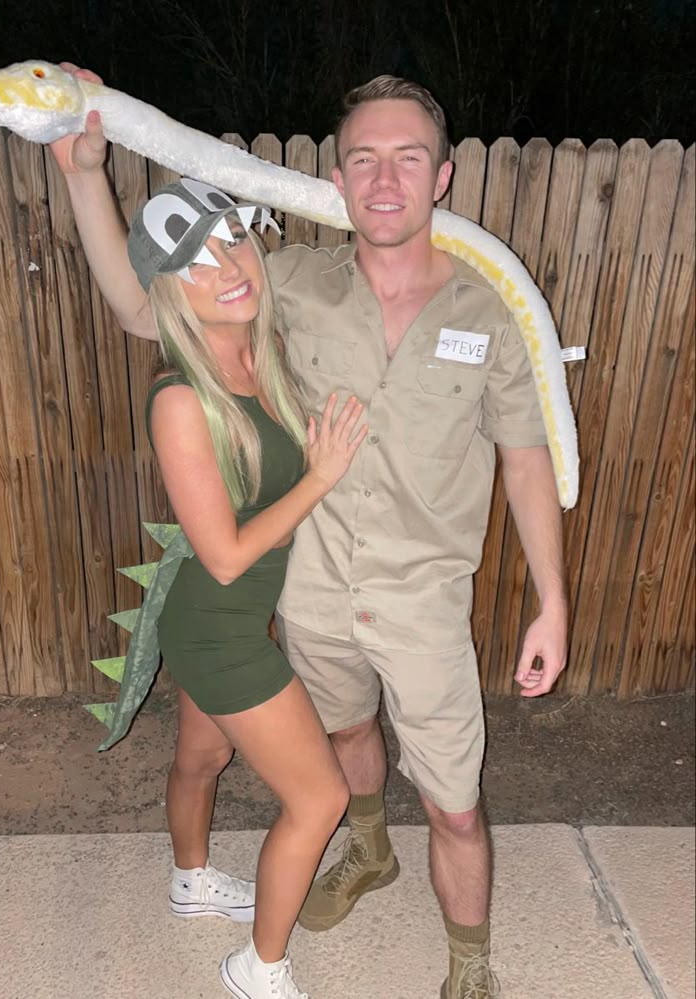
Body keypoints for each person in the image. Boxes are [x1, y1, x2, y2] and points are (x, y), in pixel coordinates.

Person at [51, 67, 568, 999]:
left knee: (455, 807)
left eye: (407, 159)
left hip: (422, 604)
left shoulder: (487, 314)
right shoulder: (287, 282)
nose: (383, 180)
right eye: (363, 158)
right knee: (348, 737)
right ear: (336, 177)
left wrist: (552, 601)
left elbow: (528, 458)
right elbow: (147, 307)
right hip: (313, 598)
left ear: (441, 178)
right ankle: (367, 847)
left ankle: (470, 964)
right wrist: (85, 173)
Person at [85, 172, 367, 999]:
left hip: (226, 618)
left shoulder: (252, 349)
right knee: (319, 800)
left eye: (232, 240)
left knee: (202, 758)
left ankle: (189, 877)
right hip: (221, 624)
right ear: (170, 291)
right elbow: (227, 556)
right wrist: (321, 477)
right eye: (197, 262)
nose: (229, 265)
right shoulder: (181, 397)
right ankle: (259, 965)